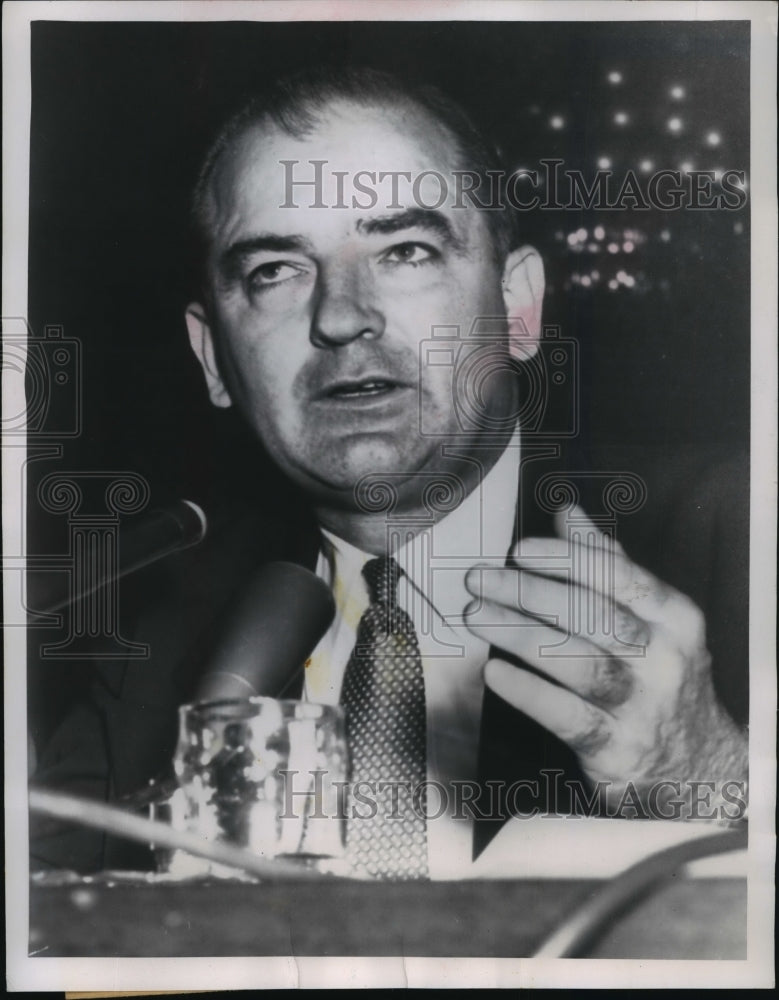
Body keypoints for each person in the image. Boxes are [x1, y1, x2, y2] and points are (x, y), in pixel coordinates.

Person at [30, 66, 748, 877]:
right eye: (274, 270)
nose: (341, 315)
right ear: (212, 358)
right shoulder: (149, 643)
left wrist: (709, 779)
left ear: (516, 308)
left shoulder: (734, 538)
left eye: (404, 251)